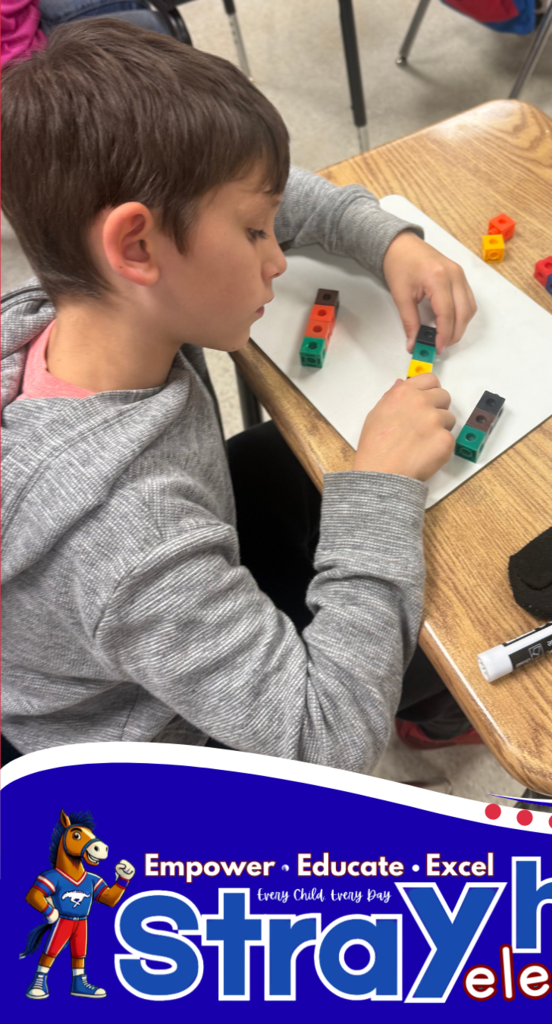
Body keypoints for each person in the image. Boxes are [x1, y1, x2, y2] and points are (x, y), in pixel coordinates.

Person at [0, 19, 480, 769]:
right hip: (159, 744)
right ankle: (438, 715)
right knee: (465, 625)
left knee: (316, 464)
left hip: (154, 570)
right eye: (256, 233)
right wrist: (380, 488)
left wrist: (387, 239)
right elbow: (329, 741)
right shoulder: (124, 540)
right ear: (136, 246)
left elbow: (249, 190)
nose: (277, 258)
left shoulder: (79, 297)